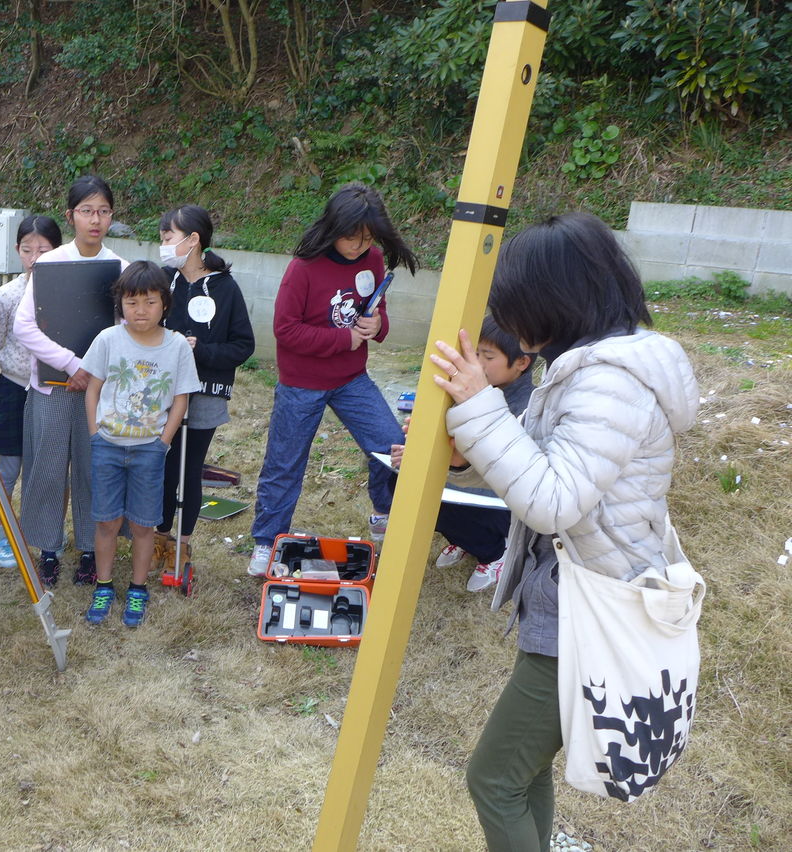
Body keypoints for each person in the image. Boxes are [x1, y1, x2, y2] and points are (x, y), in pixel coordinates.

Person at [428, 213, 698, 850]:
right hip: (573, 597)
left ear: (555, 298)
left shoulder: (610, 382)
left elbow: (552, 500)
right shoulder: (597, 365)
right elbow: (554, 465)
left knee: (494, 779)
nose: (512, 320)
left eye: (518, 303)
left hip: (589, 608)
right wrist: (472, 451)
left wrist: (480, 407)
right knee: (522, 772)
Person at [247, 183, 418, 576]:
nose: (359, 246)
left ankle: (383, 512)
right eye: (352, 237)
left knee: (391, 445)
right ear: (333, 227)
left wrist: (377, 325)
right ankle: (266, 542)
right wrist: (344, 339)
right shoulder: (303, 268)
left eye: (368, 238)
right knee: (285, 464)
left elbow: (377, 312)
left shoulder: (373, 259)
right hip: (301, 383)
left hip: (352, 378)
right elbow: (285, 330)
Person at [13, 175, 127, 587]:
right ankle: (48, 549)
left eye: (103, 211)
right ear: (71, 215)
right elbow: (24, 326)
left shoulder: (121, 268)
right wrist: (70, 364)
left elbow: (127, 327)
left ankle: (91, 550)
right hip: (52, 386)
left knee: (94, 468)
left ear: (111, 216)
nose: (95, 220)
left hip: (100, 388)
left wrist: (92, 369)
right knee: (46, 467)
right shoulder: (49, 264)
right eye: (86, 211)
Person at [80, 261, 198, 627]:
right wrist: (94, 434)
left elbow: (180, 399)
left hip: (150, 449)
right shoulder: (108, 339)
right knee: (106, 521)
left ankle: (137, 588)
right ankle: (103, 585)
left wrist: (163, 442)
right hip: (107, 445)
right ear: (121, 304)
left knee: (144, 524)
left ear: (165, 302)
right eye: (132, 303)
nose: (141, 310)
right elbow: (93, 388)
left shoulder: (177, 346)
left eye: (149, 302)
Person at [390, 315, 536, 592]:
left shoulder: (529, 408)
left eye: (488, 357)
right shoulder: (468, 391)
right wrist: (415, 453)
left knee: (437, 502)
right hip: (462, 482)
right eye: (474, 354)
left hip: (500, 502)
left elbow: (505, 474)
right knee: (397, 481)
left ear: (521, 363)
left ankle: (495, 552)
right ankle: (467, 539)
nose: (477, 364)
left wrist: (443, 462)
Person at [153, 204, 254, 580]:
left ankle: (182, 544)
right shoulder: (164, 280)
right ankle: (159, 537)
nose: (164, 245)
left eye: (169, 238)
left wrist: (201, 350)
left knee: (189, 467)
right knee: (163, 464)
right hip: (163, 392)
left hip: (206, 390)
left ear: (193, 240)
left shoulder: (225, 287)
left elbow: (243, 345)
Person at [0, 214, 62, 569]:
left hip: (53, 391)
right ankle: (2, 534)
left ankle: (43, 535)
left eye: (43, 250)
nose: (35, 258)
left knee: (47, 469)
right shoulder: (6, 295)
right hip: (14, 389)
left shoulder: (64, 293)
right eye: (27, 250)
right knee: (9, 468)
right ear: (17, 251)